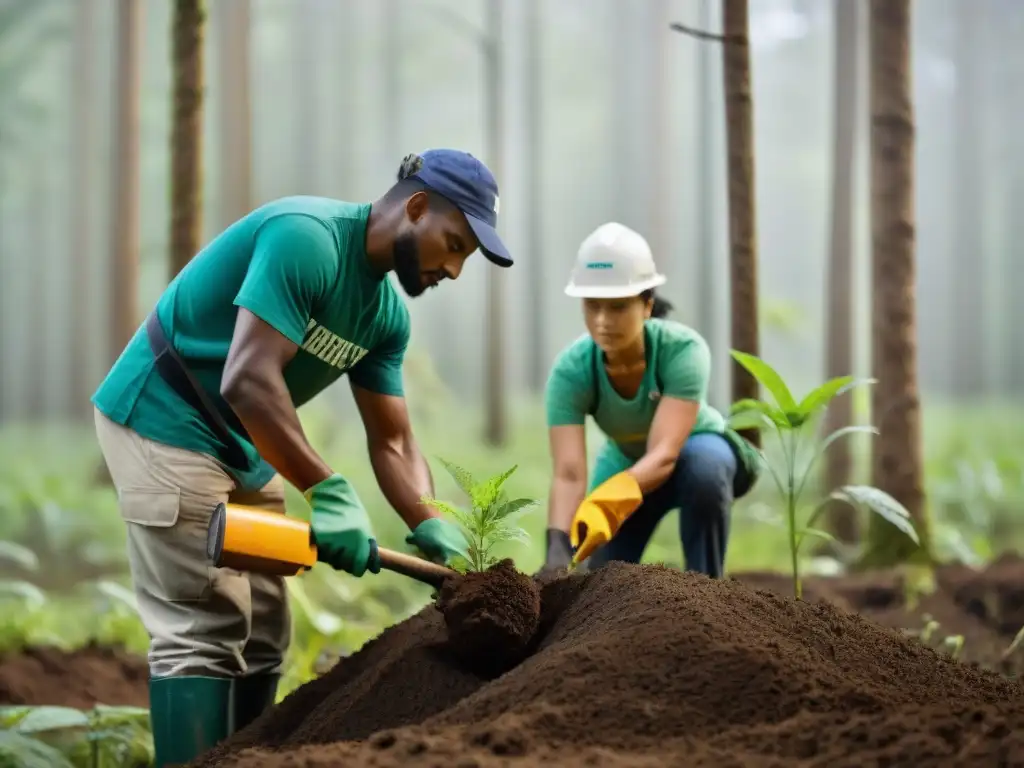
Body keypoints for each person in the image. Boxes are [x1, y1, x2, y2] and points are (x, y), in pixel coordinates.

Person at [91, 149, 512, 767]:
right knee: (203, 628)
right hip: (165, 415)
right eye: (452, 244)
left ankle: (247, 759)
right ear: (416, 207)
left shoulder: (385, 316)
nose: (452, 268)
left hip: (244, 441)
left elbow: (392, 440)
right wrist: (329, 490)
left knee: (264, 629)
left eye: (464, 259)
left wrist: (430, 520)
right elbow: (247, 379)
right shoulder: (307, 240)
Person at [540, 222, 760, 577]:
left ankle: (708, 595)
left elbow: (664, 454)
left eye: (617, 307)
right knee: (601, 580)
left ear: (647, 305)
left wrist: (611, 501)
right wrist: (557, 546)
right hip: (626, 464)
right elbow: (568, 473)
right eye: (592, 305)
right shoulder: (572, 370)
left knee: (705, 469)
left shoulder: (682, 350)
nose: (602, 321)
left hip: (694, 452)